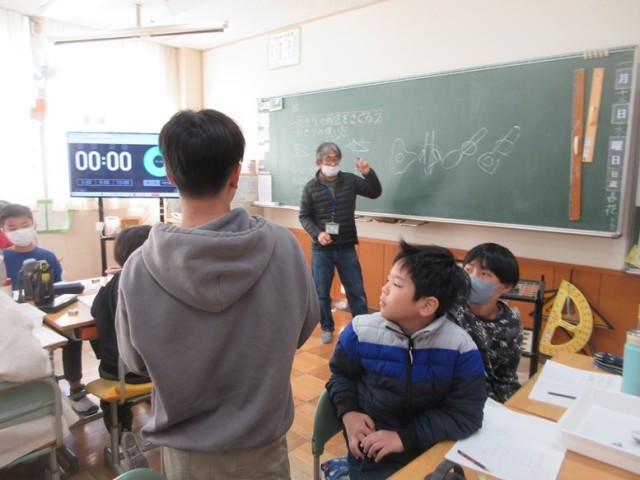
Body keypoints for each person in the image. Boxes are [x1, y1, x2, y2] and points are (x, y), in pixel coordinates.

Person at [115, 109, 320, 479]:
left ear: (170, 175)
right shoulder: (285, 247)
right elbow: (302, 328)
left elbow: (136, 363)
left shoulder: (138, 267)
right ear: (236, 174)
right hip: (264, 451)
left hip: (187, 457)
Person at [327, 241, 486, 479]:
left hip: (433, 450)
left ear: (427, 305)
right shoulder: (360, 331)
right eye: (388, 280)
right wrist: (348, 412)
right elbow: (341, 375)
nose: (384, 289)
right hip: (373, 457)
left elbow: (466, 414)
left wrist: (405, 437)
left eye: (396, 284)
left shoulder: (460, 348)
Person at [0, 203, 98, 415]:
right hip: (17, 318)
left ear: (34, 225)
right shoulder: (3, 259)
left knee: (72, 335)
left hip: (49, 312)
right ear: (4, 231)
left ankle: (75, 389)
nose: (20, 231)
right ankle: (40, 392)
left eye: (24, 225)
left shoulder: (47, 255)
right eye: (12, 228)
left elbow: (60, 286)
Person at [299, 142, 382, 344]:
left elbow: (374, 192)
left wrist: (368, 174)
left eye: (336, 159)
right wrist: (318, 233)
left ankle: (361, 328)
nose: (333, 163)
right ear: (319, 163)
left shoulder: (350, 180)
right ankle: (327, 327)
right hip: (322, 249)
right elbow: (304, 216)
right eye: (328, 159)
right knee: (321, 293)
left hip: (346, 246)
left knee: (356, 291)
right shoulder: (310, 188)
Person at [90, 225, 152, 437]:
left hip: (116, 372)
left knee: (115, 402)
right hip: (155, 370)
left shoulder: (112, 285)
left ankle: (122, 433)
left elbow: (95, 311)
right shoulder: (160, 284)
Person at [447, 242, 522, 403]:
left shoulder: (510, 323)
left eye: (484, 274)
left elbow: (506, 377)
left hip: (487, 401)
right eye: (468, 270)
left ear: (505, 287)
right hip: (452, 396)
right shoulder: (449, 308)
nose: (472, 278)